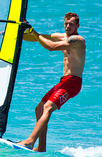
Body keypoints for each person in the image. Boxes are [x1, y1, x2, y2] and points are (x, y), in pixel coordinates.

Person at [18, 12, 86, 152]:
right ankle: (41, 147)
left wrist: (34, 32)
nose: (68, 26)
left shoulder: (78, 40)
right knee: (39, 109)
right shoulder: (61, 36)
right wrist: (17, 36)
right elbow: (39, 38)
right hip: (63, 81)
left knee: (48, 107)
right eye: (66, 23)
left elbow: (51, 47)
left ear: (77, 26)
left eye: (71, 24)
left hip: (73, 82)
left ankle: (30, 141)